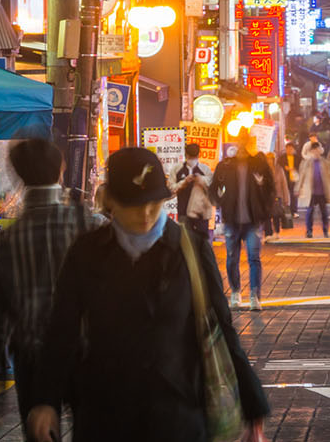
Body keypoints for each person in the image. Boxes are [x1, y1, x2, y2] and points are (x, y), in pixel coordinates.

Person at [22, 148, 271, 442]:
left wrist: (252, 403)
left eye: (153, 203)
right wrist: (46, 400)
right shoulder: (86, 252)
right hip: (104, 414)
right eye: (133, 204)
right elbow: (61, 329)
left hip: (178, 412)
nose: (145, 214)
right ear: (111, 200)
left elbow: (223, 326)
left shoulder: (190, 250)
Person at [0, 138, 103, 389]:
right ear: (61, 169)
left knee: (38, 426)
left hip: (31, 355)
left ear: (17, 174)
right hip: (86, 351)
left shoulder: (1, 241)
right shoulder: (89, 225)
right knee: (86, 428)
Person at [213, 140, 279, 309]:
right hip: (232, 220)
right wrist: (222, 202)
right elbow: (213, 188)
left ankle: (254, 296)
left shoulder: (258, 165)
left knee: (254, 258)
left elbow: (271, 189)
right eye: (240, 146)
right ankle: (235, 291)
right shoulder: (226, 166)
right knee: (231, 258)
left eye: (245, 145)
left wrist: (264, 208)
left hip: (253, 221)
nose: (242, 149)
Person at [172, 142, 215, 246]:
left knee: (202, 245)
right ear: (186, 155)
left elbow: (213, 189)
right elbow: (171, 190)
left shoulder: (205, 169)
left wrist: (202, 180)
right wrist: (184, 182)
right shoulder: (177, 169)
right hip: (183, 213)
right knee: (186, 246)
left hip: (201, 214)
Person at [296, 141, 330, 238]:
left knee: (324, 212)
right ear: (311, 151)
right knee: (310, 212)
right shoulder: (306, 163)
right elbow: (301, 176)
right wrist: (298, 188)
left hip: (322, 192)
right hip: (311, 192)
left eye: (318, 149)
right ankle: (309, 231)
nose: (317, 152)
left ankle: (325, 230)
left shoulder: (324, 162)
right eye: (315, 150)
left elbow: (329, 175)